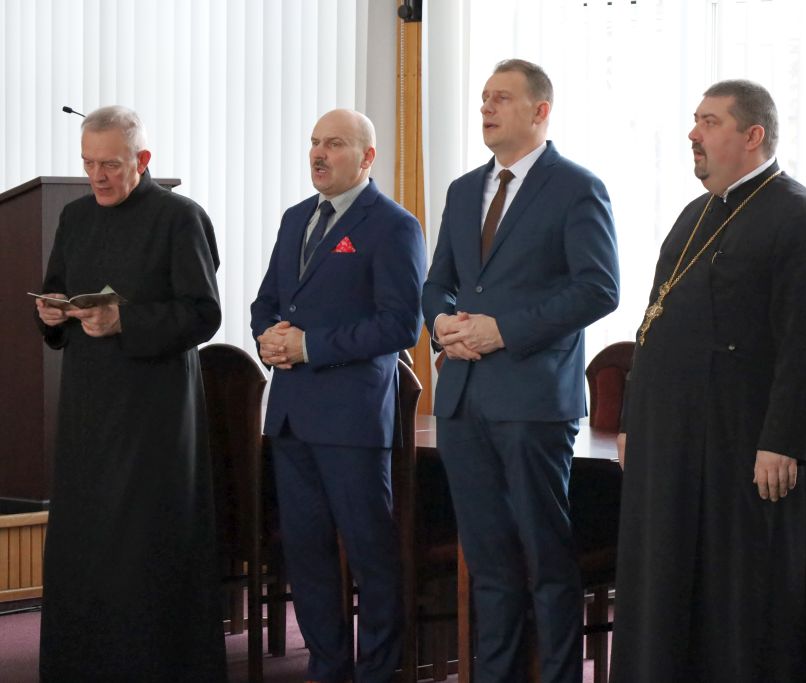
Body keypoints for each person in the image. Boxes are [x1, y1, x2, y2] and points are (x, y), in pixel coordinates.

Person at [610, 80, 806, 682]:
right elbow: (653, 323)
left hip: (743, 446)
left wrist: (785, 440)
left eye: (710, 122)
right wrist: (634, 419)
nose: (693, 134)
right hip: (670, 444)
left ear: (752, 135)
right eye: (696, 120)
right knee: (663, 594)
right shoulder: (695, 214)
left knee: (736, 603)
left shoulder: (803, 218)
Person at [422, 58, 619, 683]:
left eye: (501, 98)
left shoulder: (576, 187)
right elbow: (438, 283)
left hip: (533, 399)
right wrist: (441, 324)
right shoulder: (462, 190)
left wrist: (503, 330)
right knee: (488, 563)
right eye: (483, 97)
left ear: (540, 111)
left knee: (545, 561)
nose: (486, 107)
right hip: (463, 398)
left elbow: (599, 289)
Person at [34, 105, 225, 681]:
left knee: (143, 544)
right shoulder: (74, 217)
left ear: (142, 159)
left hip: (154, 412)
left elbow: (203, 313)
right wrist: (51, 313)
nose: (98, 176)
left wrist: (125, 321)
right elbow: (56, 290)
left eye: (111, 165)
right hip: (88, 405)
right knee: (85, 541)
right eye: (89, 164)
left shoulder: (180, 218)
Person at [251, 108, 426, 683]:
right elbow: (266, 303)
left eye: (334, 144)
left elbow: (401, 325)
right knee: (307, 557)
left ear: (367, 156)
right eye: (314, 143)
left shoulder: (394, 225)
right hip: (291, 419)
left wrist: (309, 346)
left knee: (371, 558)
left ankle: (377, 672)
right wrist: (267, 337)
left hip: (352, 421)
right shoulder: (295, 218)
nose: (318, 154)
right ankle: (326, 668)